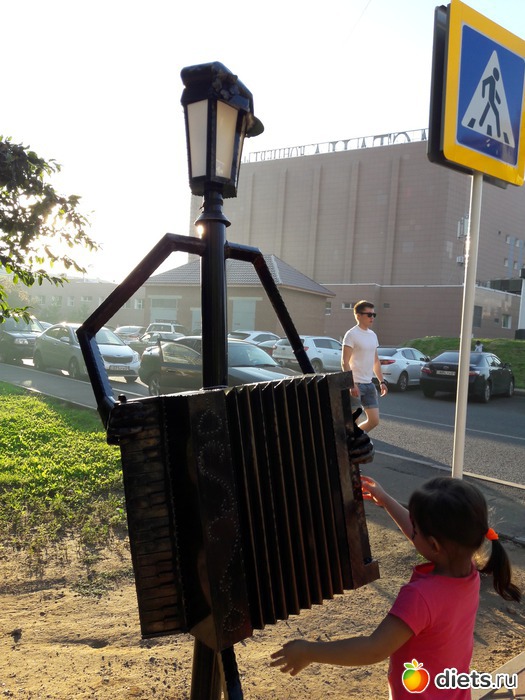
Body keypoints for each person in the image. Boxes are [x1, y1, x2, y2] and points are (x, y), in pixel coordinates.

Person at [271, 476, 521, 699]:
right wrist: (386, 500)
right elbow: (424, 539)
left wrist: (309, 651)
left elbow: (374, 649)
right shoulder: (468, 571)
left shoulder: (420, 597)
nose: (412, 532)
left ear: (434, 545)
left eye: (416, 528)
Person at [341, 300, 387, 432]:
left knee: (374, 421)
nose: (372, 317)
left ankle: (355, 439)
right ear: (358, 315)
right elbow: (344, 361)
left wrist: (382, 382)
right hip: (355, 384)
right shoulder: (351, 334)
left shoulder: (373, 335)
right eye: (369, 314)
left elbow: (376, 361)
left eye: (374, 315)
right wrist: (351, 384)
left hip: (369, 384)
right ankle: (351, 441)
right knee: (352, 423)